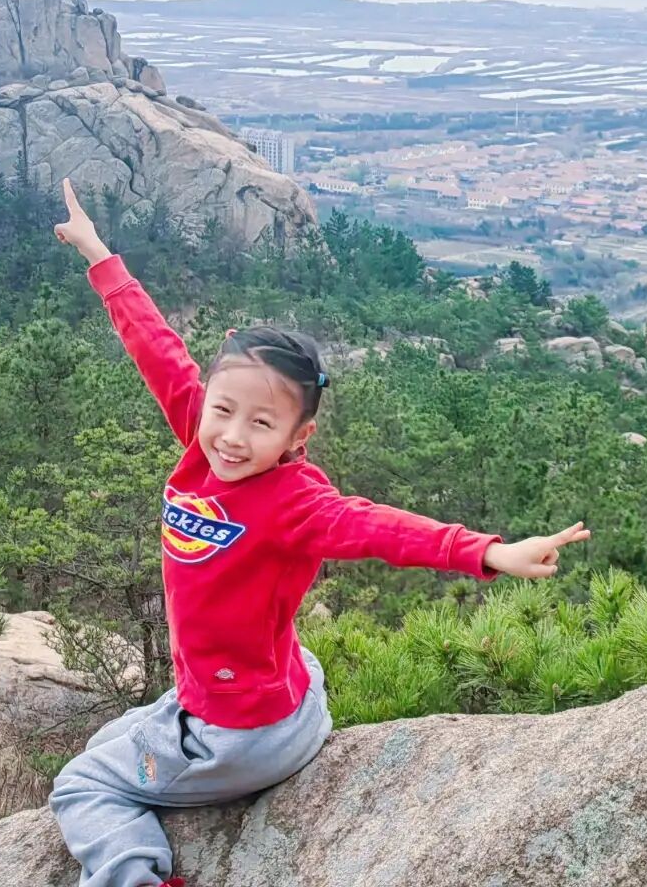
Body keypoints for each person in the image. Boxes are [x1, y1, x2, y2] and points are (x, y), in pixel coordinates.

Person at [48, 178, 589, 887]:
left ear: (299, 436)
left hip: (239, 734)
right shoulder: (201, 436)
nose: (233, 437)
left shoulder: (295, 501)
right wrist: (99, 256)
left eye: (262, 423)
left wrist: (487, 550)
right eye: (223, 410)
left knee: (82, 784)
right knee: (112, 738)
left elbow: (381, 528)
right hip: (281, 700)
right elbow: (156, 345)